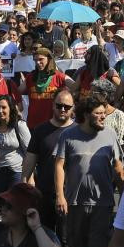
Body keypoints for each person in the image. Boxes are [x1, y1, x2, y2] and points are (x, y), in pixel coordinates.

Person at [55, 94, 124, 247]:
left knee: (97, 245)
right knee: (77, 244)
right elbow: (59, 165)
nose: (103, 117)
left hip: (102, 202)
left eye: (104, 113)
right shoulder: (68, 135)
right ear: (86, 115)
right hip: (75, 201)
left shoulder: (110, 134)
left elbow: (118, 166)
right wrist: (60, 195)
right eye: (98, 114)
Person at [23, 88, 76, 230]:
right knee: (44, 236)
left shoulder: (79, 131)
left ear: (73, 108)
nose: (62, 109)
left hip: (71, 196)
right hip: (44, 194)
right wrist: (24, 185)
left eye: (67, 107)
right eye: (59, 106)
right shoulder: (40, 130)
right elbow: (30, 159)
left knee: (66, 242)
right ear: (53, 105)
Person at [0, 94, 30, 194]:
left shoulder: (20, 125)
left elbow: (30, 152)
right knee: (1, 205)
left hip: (17, 172)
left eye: (3, 107)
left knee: (14, 205)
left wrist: (30, 177)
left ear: (10, 108)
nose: (0, 110)